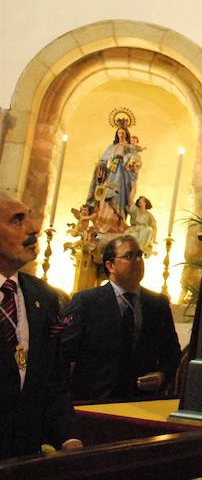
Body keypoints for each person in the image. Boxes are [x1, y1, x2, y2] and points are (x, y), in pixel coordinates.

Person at [0, 194, 81, 458]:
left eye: (29, 216)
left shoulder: (44, 297)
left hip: (25, 459)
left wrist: (69, 438)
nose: (34, 228)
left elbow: (53, 383)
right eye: (17, 220)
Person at [62, 235, 181, 401]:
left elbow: (172, 352)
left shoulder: (157, 303)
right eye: (129, 256)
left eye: (140, 255)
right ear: (110, 265)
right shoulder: (87, 301)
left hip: (141, 400)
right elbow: (65, 352)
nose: (138, 261)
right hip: (93, 400)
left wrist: (162, 375)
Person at [89, 126, 134, 234]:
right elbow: (103, 161)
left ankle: (116, 223)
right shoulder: (111, 147)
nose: (121, 135)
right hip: (111, 174)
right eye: (119, 133)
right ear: (117, 134)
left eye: (123, 133)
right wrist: (100, 165)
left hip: (122, 177)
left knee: (118, 196)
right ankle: (104, 223)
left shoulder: (129, 147)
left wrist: (124, 162)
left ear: (126, 134)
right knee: (105, 197)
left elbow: (133, 162)